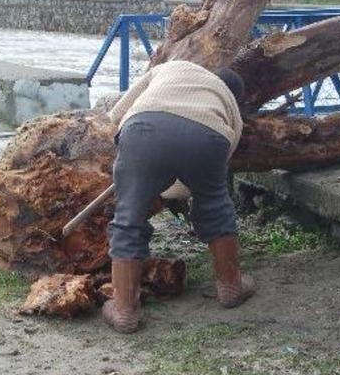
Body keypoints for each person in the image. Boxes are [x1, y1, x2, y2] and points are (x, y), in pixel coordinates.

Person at [102, 60, 255, 334]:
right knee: (217, 206)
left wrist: (141, 175)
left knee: (128, 216)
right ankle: (231, 286)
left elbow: (117, 113)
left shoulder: (174, 66)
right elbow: (215, 166)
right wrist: (176, 186)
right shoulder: (230, 107)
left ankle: (124, 308)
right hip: (208, 136)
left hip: (143, 127)